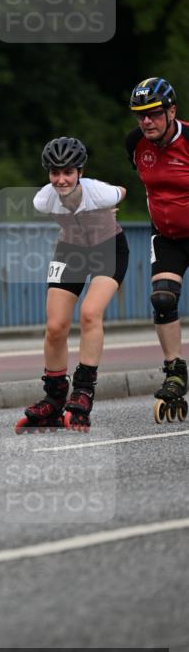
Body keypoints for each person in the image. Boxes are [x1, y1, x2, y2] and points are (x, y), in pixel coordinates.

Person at [15, 136, 129, 433]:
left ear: (80, 172)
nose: (62, 179)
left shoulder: (98, 192)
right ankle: (53, 398)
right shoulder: (43, 198)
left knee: (90, 313)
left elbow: (123, 191)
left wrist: (109, 210)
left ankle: (83, 392)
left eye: (68, 172)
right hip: (70, 252)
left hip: (108, 249)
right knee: (55, 326)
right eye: (55, 172)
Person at [126, 77, 189, 422]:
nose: (146, 122)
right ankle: (175, 372)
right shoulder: (135, 144)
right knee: (163, 299)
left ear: (171, 111)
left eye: (153, 114)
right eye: (140, 115)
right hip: (167, 237)